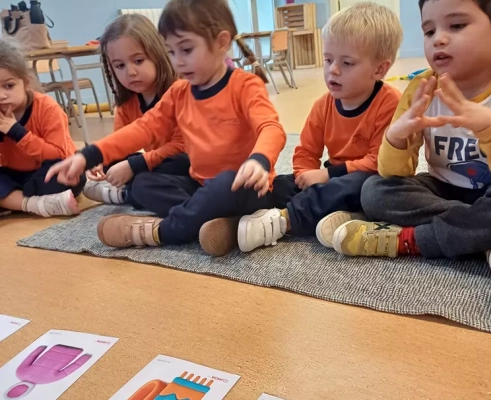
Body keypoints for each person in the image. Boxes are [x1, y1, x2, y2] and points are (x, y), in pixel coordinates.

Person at [44, 0, 286, 257]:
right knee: (143, 184)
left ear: (221, 43)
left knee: (225, 181)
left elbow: (271, 128)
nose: (178, 62)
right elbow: (144, 128)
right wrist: (88, 155)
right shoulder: (179, 92)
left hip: (245, 186)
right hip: (200, 185)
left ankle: (164, 231)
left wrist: (259, 160)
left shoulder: (245, 85)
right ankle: (221, 223)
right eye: (171, 52)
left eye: (186, 50)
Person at [321, 0, 491, 272]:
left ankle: (409, 240)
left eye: (457, 25)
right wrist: (396, 138)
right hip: (441, 190)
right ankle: (478, 236)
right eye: (429, 31)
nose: (439, 39)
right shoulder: (421, 88)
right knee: (375, 191)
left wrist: (489, 129)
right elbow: (395, 173)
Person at [235, 2, 403, 253]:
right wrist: (306, 176)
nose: (333, 70)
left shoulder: (390, 103)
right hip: (331, 179)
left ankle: (285, 220)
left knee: (360, 186)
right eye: (328, 59)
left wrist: (327, 176)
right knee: (279, 184)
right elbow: (305, 152)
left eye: (347, 63)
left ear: (379, 69)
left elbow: (378, 162)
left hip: (368, 179)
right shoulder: (323, 105)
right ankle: (338, 214)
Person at [83, 13, 189, 207]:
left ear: (157, 55)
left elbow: (182, 147)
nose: (130, 72)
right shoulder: (127, 103)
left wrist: (135, 165)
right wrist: (100, 157)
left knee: (157, 172)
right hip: (160, 166)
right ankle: (136, 191)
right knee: (114, 163)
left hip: (188, 165)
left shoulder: (180, 90)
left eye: (139, 61)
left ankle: (126, 194)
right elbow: (120, 143)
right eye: (120, 66)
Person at [0, 39, 85, 218]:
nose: (1, 95)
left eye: (9, 86)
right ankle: (35, 204)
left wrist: (17, 132)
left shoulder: (47, 108)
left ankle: (17, 201)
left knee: (71, 175)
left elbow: (57, 155)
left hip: (47, 172)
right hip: (15, 176)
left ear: (26, 82)